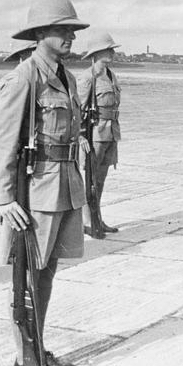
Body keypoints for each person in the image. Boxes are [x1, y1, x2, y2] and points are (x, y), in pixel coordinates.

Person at [0, 0, 89, 366]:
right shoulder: (24, 76)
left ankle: (38, 347)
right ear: (41, 32)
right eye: (63, 30)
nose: (71, 37)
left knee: (46, 273)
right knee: (26, 277)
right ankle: (22, 356)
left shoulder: (67, 76)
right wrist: (4, 198)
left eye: (72, 30)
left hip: (63, 186)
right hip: (36, 192)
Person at [77, 33, 123, 235]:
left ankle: (98, 219)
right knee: (90, 180)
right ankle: (88, 222)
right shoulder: (88, 78)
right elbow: (77, 110)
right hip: (94, 135)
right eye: (108, 49)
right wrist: (79, 136)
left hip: (110, 133)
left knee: (101, 180)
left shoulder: (111, 75)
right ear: (97, 53)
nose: (112, 52)